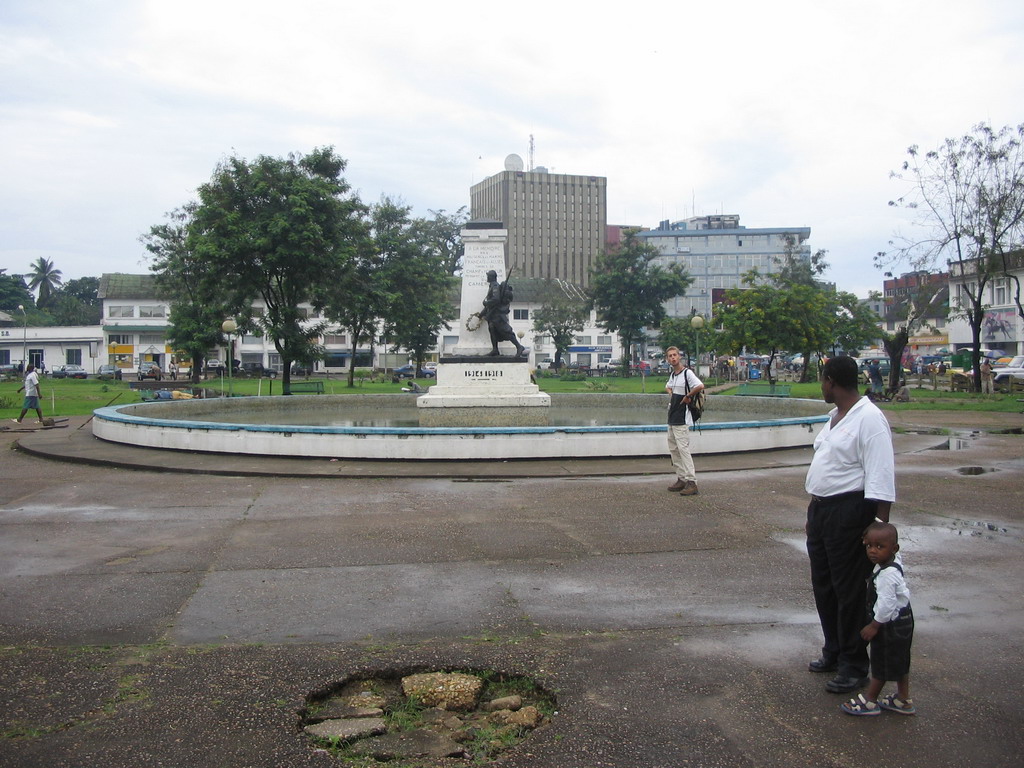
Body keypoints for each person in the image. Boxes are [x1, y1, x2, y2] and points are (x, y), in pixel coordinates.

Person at [805, 355, 895, 694]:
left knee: (850, 591)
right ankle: (834, 650)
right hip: (823, 511)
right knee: (824, 585)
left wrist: (879, 524)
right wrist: (813, 512)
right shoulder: (835, 418)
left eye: (822, 380)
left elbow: (881, 472)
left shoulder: (869, 419)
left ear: (830, 381)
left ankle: (854, 663)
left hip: (849, 511)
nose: (822, 386)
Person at [840, 522, 916, 716]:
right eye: (869, 546)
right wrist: (871, 536)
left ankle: (870, 701)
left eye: (879, 547)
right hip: (904, 620)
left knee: (882, 662)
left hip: (889, 625)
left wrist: (874, 625)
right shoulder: (893, 562)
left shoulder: (887, 576)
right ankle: (902, 699)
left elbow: (886, 604)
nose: (873, 551)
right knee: (900, 660)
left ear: (894, 548)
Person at [664, 345, 704, 496]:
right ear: (667, 359)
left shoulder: (687, 373)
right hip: (672, 417)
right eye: (670, 356)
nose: (673, 358)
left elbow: (700, 385)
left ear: (679, 356)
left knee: (683, 450)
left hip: (681, 418)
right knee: (674, 450)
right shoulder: (674, 375)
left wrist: (688, 396)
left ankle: (691, 482)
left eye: (675, 355)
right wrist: (672, 394)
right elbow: (667, 387)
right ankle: (681, 478)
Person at [480, 270, 526, 357]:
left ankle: (519, 346)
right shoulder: (492, 286)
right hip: (493, 315)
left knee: (505, 331)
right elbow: (490, 306)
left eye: (488, 276)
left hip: (498, 315)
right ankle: (495, 349)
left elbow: (496, 300)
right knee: (492, 329)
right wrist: (482, 314)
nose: (487, 277)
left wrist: (486, 303)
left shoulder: (495, 286)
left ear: (491, 277)